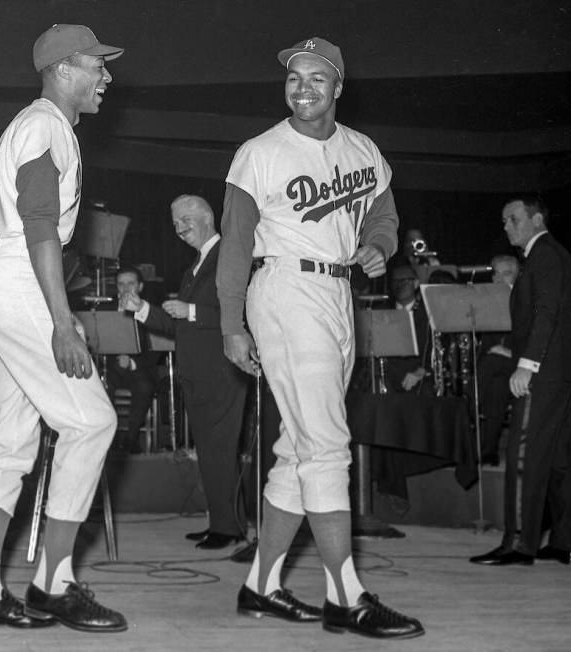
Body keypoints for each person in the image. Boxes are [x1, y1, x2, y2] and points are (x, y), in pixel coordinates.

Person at [217, 36, 424, 638]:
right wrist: (232, 324)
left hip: (338, 295)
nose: (302, 89)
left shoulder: (363, 150)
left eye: (316, 79)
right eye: (293, 79)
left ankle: (261, 584)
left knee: (298, 450)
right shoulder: (260, 152)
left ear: (338, 87)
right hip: (284, 288)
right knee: (328, 444)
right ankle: (346, 595)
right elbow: (234, 244)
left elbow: (384, 215)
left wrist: (381, 247)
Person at [0, 24, 127, 632]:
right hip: (18, 275)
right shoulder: (47, 126)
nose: (105, 76)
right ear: (62, 69)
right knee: (92, 421)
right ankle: (54, 584)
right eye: (95, 65)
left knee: (12, 441)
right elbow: (39, 226)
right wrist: (63, 320)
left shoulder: (38, 125)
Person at [122, 194, 249, 550]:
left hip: (223, 370)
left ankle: (230, 527)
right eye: (175, 223)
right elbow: (179, 325)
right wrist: (142, 308)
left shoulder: (229, 256)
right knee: (210, 452)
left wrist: (191, 311)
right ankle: (222, 523)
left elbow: (241, 313)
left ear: (207, 217)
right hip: (198, 372)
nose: (179, 229)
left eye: (184, 220)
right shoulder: (196, 265)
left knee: (221, 450)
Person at [470, 194, 571, 567]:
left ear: (536, 220)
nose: (506, 226)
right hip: (562, 372)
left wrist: (526, 365)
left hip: (544, 373)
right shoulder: (552, 256)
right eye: (504, 221)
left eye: (513, 219)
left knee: (522, 453)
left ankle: (518, 544)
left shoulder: (545, 256)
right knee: (560, 460)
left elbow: (545, 313)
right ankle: (565, 542)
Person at [102, 266, 163, 453]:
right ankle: (108, 441)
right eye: (121, 284)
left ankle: (130, 439)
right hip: (112, 369)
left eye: (131, 284)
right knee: (101, 386)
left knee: (145, 386)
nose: (126, 288)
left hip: (140, 370)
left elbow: (156, 352)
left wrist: (133, 363)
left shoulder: (151, 312)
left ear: (141, 286)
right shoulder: (105, 311)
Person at [474, 254, 520, 464]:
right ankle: (489, 450)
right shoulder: (487, 303)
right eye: (496, 274)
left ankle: (466, 405)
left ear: (517, 277)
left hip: (521, 364)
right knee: (497, 386)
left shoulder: (525, 302)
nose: (500, 279)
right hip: (497, 369)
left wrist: (506, 352)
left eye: (507, 274)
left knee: (492, 362)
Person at [383, 264, 431, 394]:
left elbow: (432, 350)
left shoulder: (427, 314)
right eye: (395, 281)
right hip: (388, 377)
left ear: (415, 284)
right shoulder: (383, 312)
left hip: (418, 377)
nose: (399, 285)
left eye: (404, 281)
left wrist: (423, 370)